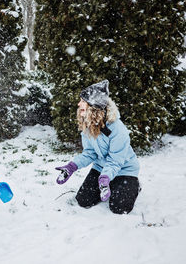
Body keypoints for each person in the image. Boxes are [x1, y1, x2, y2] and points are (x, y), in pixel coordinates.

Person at [55, 80, 140, 214]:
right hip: (101, 168)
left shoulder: (118, 129)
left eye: (83, 101)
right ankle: (108, 183)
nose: (79, 104)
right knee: (83, 200)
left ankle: (134, 185)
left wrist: (105, 177)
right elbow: (90, 153)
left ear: (94, 105)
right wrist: (72, 166)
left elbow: (115, 160)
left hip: (124, 170)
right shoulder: (89, 125)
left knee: (119, 208)